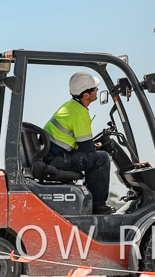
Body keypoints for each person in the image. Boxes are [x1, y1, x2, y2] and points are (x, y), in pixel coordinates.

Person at [43, 71, 114, 215]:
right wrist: (94, 147)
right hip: (57, 159)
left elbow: (75, 142)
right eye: (95, 89)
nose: (97, 90)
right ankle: (97, 206)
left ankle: (91, 200)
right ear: (86, 95)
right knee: (102, 158)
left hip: (53, 155)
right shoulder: (79, 113)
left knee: (95, 156)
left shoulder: (71, 107)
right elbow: (87, 150)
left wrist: (91, 146)